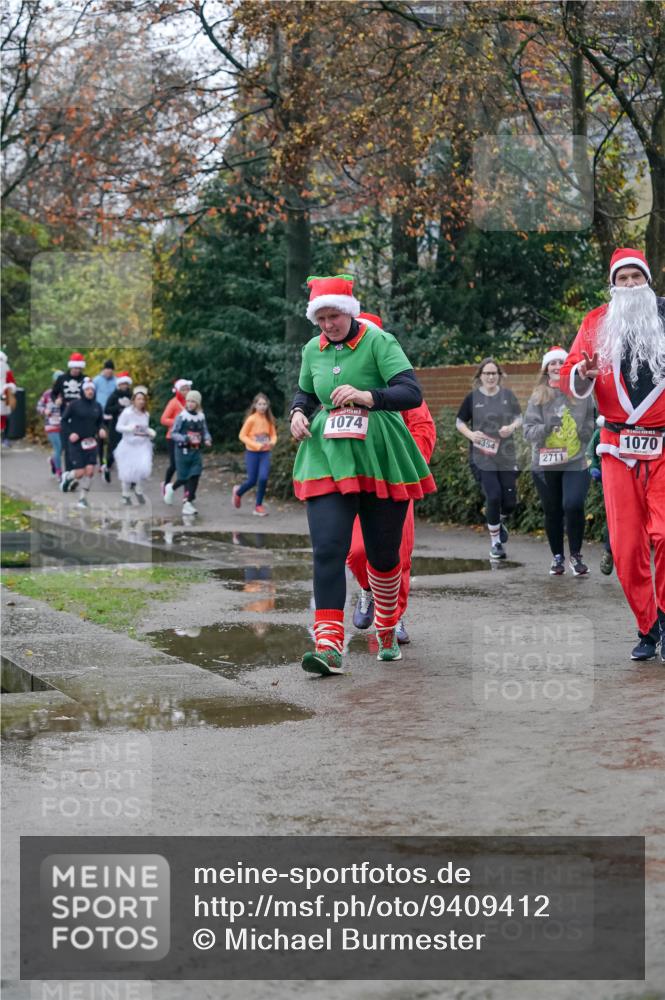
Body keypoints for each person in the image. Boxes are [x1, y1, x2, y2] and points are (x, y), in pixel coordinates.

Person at [290, 275, 436, 675]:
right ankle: (329, 646)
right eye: (320, 319)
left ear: (349, 311)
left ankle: (387, 627)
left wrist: (367, 396)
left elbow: (411, 392)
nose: (327, 325)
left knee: (383, 556)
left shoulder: (378, 341)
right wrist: (298, 414)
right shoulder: (311, 350)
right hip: (328, 457)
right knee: (327, 549)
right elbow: (304, 392)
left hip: (380, 457)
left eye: (333, 316)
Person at [559, 247, 665, 662]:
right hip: (617, 449)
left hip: (663, 445)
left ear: (648, 281)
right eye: (622, 279)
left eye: (636, 277)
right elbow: (572, 378)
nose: (630, 285)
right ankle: (648, 626)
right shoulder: (596, 323)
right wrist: (582, 375)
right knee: (625, 548)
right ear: (612, 285)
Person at [346, 312, 437, 644]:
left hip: (397, 482)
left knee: (398, 554)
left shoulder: (400, 384)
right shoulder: (342, 383)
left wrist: (405, 465)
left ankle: (394, 619)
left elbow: (424, 428)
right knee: (357, 552)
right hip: (356, 482)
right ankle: (369, 587)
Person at [523, 347, 595, 576]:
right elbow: (528, 431)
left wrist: (587, 431)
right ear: (545, 369)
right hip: (545, 463)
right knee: (553, 511)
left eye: (560, 363)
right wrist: (546, 427)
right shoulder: (538, 396)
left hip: (575, 460)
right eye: (551, 363)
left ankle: (576, 555)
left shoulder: (582, 393)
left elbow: (595, 418)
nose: (555, 367)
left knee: (573, 505)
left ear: (568, 369)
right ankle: (557, 558)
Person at [456, 358, 522, 560]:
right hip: (482, 456)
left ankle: (498, 521)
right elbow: (460, 421)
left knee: (509, 501)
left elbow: (519, 417)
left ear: (499, 376)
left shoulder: (507, 396)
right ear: (480, 376)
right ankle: (496, 543)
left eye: (494, 373)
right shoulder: (473, 398)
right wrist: (471, 435)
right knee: (493, 496)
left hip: (505, 455)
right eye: (487, 373)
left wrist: (511, 427)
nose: (491, 377)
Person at [165, 389, 212, 515]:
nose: (190, 404)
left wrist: (207, 439)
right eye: (189, 401)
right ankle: (171, 487)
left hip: (195, 451)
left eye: (193, 401)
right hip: (182, 451)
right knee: (183, 478)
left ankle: (187, 502)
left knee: (195, 475)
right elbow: (174, 433)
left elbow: (205, 430)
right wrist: (185, 438)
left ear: (198, 403)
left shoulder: (201, 417)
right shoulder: (181, 416)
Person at [60, 378, 106, 507]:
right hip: (76, 443)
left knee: (90, 471)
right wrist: (70, 434)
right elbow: (63, 421)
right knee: (80, 473)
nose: (90, 392)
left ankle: (83, 499)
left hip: (91, 443)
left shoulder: (97, 406)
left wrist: (102, 429)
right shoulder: (74, 405)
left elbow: (100, 422)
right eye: (87, 389)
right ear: (82, 391)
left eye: (92, 389)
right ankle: (68, 477)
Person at [232, 393, 278, 516]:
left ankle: (258, 506)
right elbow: (242, 435)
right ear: (255, 405)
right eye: (260, 404)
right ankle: (238, 492)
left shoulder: (269, 419)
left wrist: (272, 442)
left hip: (265, 454)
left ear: (267, 405)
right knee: (252, 480)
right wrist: (256, 445)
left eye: (264, 404)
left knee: (263, 478)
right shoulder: (251, 419)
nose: (262, 407)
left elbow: (273, 434)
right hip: (252, 453)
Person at [114, 386, 156, 505]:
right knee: (128, 473)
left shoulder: (146, 414)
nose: (141, 401)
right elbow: (118, 427)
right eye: (139, 399)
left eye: (143, 399)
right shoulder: (127, 413)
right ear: (133, 400)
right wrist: (129, 428)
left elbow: (144, 429)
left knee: (143, 469)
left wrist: (150, 433)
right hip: (128, 445)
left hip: (142, 445)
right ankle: (125, 494)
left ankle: (139, 490)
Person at [586, 422, 614, 575]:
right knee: (616, 517)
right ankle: (609, 551)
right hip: (616, 481)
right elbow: (589, 452)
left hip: (650, 478)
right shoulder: (604, 429)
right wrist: (594, 467)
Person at [52, 353, 86, 469]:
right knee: (67, 446)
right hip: (65, 416)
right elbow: (53, 392)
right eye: (75, 368)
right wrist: (56, 399)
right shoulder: (62, 379)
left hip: (81, 417)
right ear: (71, 367)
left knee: (80, 445)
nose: (77, 370)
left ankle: (78, 470)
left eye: (79, 368)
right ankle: (68, 473)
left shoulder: (85, 379)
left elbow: (91, 394)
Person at [160, 378, 192, 495]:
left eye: (188, 389)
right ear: (178, 391)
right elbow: (163, 419)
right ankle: (166, 483)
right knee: (174, 464)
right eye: (183, 389)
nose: (186, 392)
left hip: (188, 437)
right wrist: (177, 422)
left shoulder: (192, 403)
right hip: (172, 437)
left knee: (187, 464)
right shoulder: (173, 403)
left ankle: (187, 492)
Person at [103, 372, 133, 480]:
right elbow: (107, 410)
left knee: (128, 452)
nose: (124, 386)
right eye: (122, 384)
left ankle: (129, 477)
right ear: (119, 385)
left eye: (126, 384)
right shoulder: (114, 395)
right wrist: (119, 406)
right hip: (115, 426)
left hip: (129, 427)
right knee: (113, 451)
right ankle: (107, 467)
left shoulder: (132, 396)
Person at [36, 370, 64, 477]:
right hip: (51, 424)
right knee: (58, 447)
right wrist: (45, 411)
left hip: (64, 424)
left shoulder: (66, 394)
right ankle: (59, 472)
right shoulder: (48, 394)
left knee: (61, 449)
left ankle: (53, 460)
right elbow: (39, 406)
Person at [93, 359, 117, 476]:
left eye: (111, 370)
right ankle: (101, 460)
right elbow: (92, 395)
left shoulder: (116, 382)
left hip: (111, 413)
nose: (109, 372)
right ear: (103, 370)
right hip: (100, 412)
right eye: (107, 369)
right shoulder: (97, 380)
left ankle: (109, 460)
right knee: (100, 438)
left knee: (111, 438)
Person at [0, 350, 17, 447]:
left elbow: (12, 383)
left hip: (3, 397)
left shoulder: (7, 371)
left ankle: (4, 438)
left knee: (4, 419)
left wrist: (8, 388)